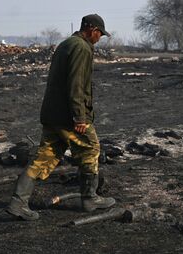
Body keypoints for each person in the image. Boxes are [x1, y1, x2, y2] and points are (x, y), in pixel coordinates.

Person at [6, 14, 115, 221]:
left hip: (52, 114)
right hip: (68, 117)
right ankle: (90, 198)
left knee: (44, 158)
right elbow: (75, 85)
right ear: (91, 30)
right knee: (91, 148)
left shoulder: (66, 44)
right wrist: (79, 117)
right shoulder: (81, 47)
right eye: (99, 34)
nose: (99, 38)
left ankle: (17, 202)